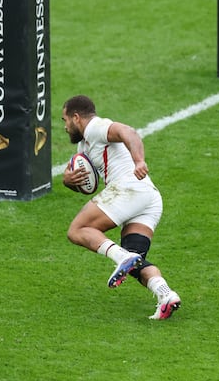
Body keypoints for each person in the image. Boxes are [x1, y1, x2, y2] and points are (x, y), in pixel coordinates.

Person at [61, 95, 181, 319]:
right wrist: (68, 182)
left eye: (65, 120)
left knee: (76, 230)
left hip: (129, 189)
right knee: (135, 261)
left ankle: (121, 258)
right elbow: (85, 182)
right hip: (148, 197)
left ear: (76, 117)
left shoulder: (96, 127)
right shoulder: (83, 145)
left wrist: (139, 161)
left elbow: (129, 132)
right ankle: (166, 295)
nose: (65, 127)